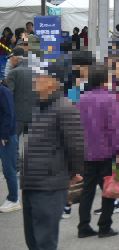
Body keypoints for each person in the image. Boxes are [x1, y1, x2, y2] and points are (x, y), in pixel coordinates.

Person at [22, 65, 85, 250]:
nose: (34, 80)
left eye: (39, 77)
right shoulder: (39, 107)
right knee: (32, 240)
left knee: (44, 241)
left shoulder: (65, 108)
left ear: (54, 82)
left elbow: (77, 145)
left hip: (50, 185)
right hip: (31, 183)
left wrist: (75, 172)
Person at [76, 64, 119, 238]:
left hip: (86, 151)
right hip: (106, 151)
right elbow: (114, 128)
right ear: (106, 80)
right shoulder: (110, 99)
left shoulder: (82, 99)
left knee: (87, 190)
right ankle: (104, 225)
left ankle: (83, 226)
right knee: (109, 189)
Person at [0, 80, 19, 213]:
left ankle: (13, 199)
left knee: (8, 168)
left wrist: (5, 135)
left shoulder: (3, 91)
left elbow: (9, 114)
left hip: (6, 137)